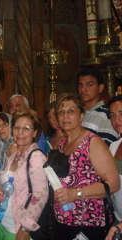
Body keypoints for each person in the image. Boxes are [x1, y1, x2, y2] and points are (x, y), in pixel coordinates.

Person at [52, 93, 120, 240]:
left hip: (88, 224)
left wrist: (75, 193)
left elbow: (113, 184)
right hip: (63, 222)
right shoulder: (63, 144)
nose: (65, 116)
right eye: (61, 112)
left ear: (81, 115)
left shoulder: (92, 142)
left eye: (71, 111)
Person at [0, 108, 48, 240]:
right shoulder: (14, 155)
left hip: (17, 227)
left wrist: (25, 228)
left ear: (35, 132)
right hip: (2, 221)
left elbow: (40, 196)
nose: (20, 132)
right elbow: (10, 185)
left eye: (26, 128)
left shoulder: (36, 157)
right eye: (17, 128)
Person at [77, 67, 118, 145]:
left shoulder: (107, 115)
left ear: (100, 88)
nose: (83, 90)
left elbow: (104, 150)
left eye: (89, 85)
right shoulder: (76, 112)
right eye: (80, 85)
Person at [105, 95, 122, 240]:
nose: (116, 120)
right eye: (112, 115)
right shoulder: (114, 146)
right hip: (117, 219)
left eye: (121, 113)